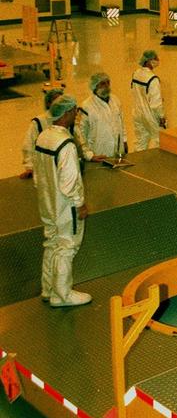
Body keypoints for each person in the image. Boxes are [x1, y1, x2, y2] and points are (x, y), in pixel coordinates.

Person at [33, 94, 91, 307]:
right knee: (67, 246)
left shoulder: (43, 137)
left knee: (51, 242)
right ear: (66, 114)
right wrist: (79, 203)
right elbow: (69, 181)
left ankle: (48, 289)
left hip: (47, 201)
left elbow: (38, 174)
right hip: (65, 206)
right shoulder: (65, 144)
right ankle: (62, 294)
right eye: (74, 111)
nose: (76, 115)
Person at [77, 71, 127, 163]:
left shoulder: (115, 100)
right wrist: (88, 155)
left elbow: (121, 123)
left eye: (108, 83)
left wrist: (124, 141)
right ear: (95, 86)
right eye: (102, 84)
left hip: (117, 152)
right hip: (98, 154)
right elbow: (80, 134)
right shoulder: (86, 106)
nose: (106, 86)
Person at [19, 86, 64, 179]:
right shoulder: (38, 122)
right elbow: (28, 146)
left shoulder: (67, 118)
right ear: (48, 103)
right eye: (56, 101)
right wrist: (29, 167)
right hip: (45, 170)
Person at [131, 49, 165, 150]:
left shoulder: (136, 73)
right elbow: (156, 104)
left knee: (140, 142)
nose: (158, 60)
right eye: (156, 59)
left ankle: (138, 163)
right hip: (150, 115)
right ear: (150, 61)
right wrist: (162, 117)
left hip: (137, 113)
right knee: (159, 140)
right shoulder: (153, 79)